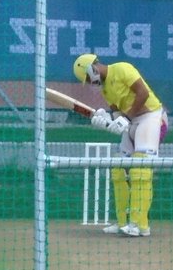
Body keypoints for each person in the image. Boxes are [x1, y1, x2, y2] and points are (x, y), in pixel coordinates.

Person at [72, 53, 168, 237]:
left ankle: (140, 225)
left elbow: (143, 93)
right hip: (132, 122)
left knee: (141, 168)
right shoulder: (105, 89)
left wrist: (125, 117)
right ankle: (123, 222)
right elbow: (117, 115)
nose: (90, 82)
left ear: (93, 68)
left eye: (87, 77)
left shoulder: (122, 68)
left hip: (151, 117)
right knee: (118, 167)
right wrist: (106, 121)